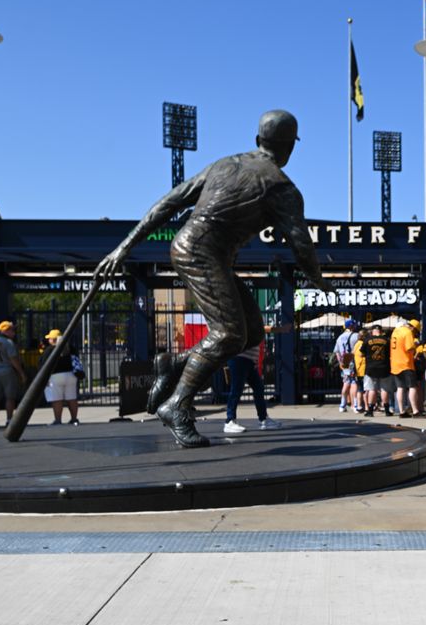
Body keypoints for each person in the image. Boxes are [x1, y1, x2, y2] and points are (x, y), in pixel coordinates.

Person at [94, 110, 332, 448]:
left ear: (257, 140)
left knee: (249, 331)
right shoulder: (283, 188)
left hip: (196, 250)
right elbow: (301, 244)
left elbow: (167, 203)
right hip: (203, 254)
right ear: (291, 148)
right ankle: (176, 405)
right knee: (229, 333)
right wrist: (318, 280)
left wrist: (124, 246)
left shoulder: (225, 163)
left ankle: (173, 364)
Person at [222, 337, 282, 434]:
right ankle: (229, 421)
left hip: (249, 360)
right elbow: (260, 330)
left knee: (258, 388)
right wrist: (280, 329)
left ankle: (263, 419)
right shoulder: (248, 322)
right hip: (239, 358)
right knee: (236, 389)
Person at [0, 320, 27, 430]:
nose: (14, 333)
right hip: (7, 371)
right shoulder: (9, 343)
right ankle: (9, 420)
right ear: (6, 331)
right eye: (12, 330)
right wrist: (21, 373)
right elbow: (13, 359)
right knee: (10, 397)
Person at [39, 329, 81, 426]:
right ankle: (74, 419)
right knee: (72, 398)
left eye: (49, 338)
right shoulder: (70, 348)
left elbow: (43, 364)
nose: (48, 340)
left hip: (55, 376)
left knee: (57, 399)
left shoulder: (49, 350)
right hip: (71, 375)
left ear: (53, 340)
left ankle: (58, 420)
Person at [361, 323, 395, 418]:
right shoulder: (387, 340)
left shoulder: (367, 340)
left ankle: (370, 410)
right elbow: (391, 353)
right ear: (381, 331)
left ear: (372, 331)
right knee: (385, 389)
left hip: (371, 368)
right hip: (384, 367)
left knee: (372, 390)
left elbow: (361, 354)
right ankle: (387, 410)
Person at [391, 319, 423, 417]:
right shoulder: (408, 332)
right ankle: (415, 411)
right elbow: (409, 348)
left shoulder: (396, 331)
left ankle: (402, 411)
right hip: (406, 363)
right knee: (412, 387)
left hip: (395, 363)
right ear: (412, 327)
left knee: (400, 388)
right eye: (416, 331)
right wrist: (415, 346)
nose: (415, 333)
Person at [334, 319, 361, 413]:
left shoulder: (340, 337)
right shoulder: (356, 336)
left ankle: (342, 404)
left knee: (345, 383)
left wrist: (341, 362)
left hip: (344, 363)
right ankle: (355, 405)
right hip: (354, 362)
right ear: (352, 326)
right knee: (354, 383)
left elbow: (336, 352)